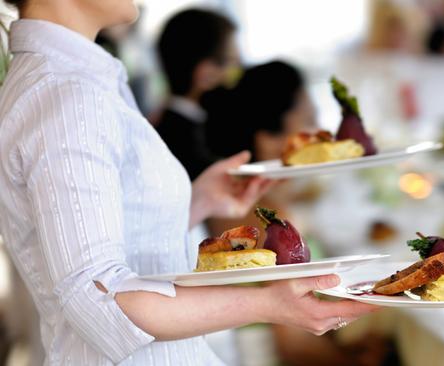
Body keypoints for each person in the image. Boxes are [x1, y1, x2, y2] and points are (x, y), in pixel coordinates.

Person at [0, 1, 378, 365]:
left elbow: (108, 246)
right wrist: (267, 304)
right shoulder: (67, 95)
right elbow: (99, 298)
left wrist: (196, 202)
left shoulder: (78, 79)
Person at [156, 8, 239, 180]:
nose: (236, 72)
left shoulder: (163, 124)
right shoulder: (190, 143)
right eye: (231, 62)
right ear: (205, 72)